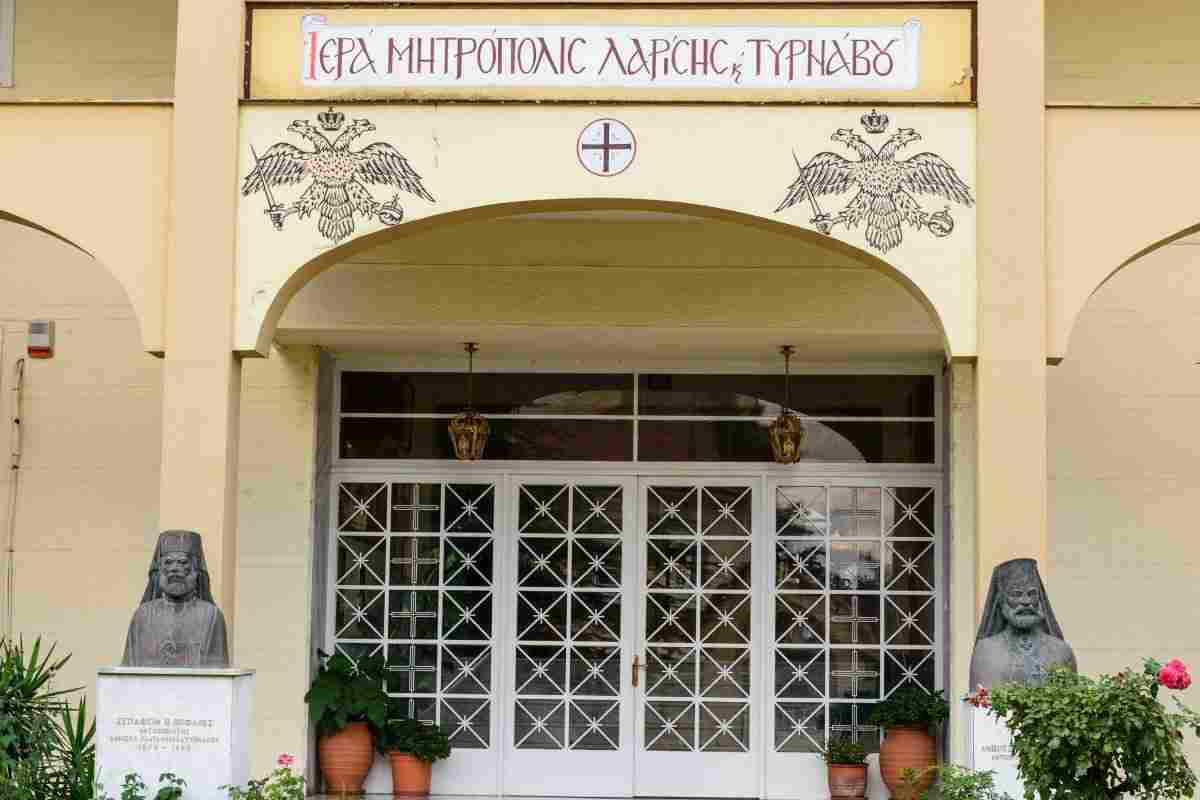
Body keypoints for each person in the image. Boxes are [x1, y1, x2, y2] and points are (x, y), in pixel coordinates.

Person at [122, 530, 229, 668]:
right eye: (168, 562)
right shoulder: (143, 616)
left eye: (183, 562)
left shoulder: (211, 616)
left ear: (196, 570)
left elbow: (218, 672)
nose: (174, 568)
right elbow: (129, 670)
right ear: (159, 569)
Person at [968, 558, 1076, 689]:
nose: (1026, 601)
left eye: (1032, 594)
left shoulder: (1061, 650)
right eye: (1016, 594)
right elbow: (983, 699)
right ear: (1001, 601)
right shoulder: (987, 650)